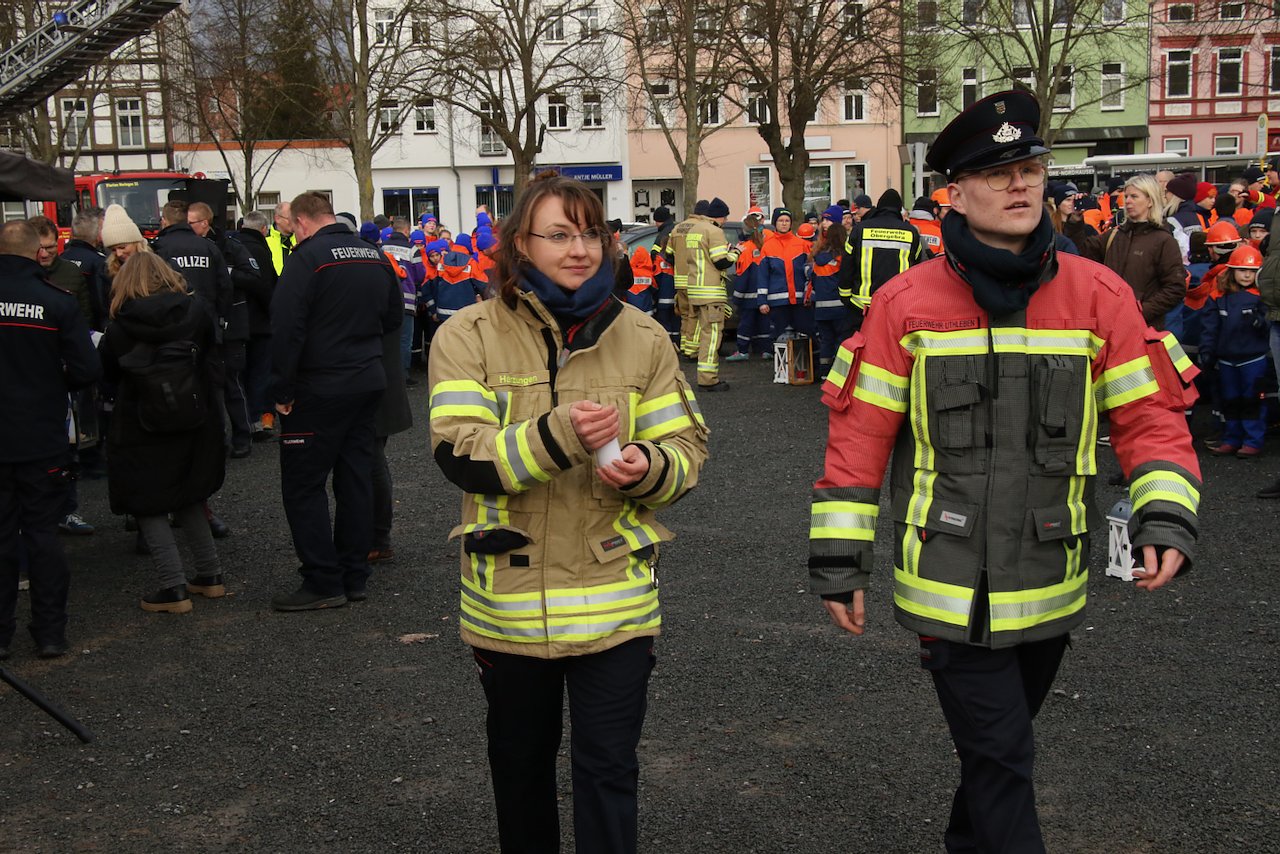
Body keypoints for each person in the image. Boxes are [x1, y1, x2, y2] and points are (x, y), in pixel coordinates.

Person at [809, 91, 1201, 853]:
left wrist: (1165, 514)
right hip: (947, 580)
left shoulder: (1100, 296)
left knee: (996, 754)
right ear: (954, 194)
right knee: (1003, 756)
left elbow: (1151, 419)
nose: (1020, 184)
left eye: (1030, 168)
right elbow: (858, 441)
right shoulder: (904, 304)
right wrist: (839, 560)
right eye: (997, 173)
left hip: (1051, 575)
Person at [427, 171, 708, 854]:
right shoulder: (466, 335)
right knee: (520, 769)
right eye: (558, 234)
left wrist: (649, 466)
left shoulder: (645, 336)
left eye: (591, 234)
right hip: (510, 608)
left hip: (617, 605)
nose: (579, 249)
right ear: (520, 244)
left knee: (609, 770)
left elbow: (687, 450)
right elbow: (460, 454)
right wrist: (559, 436)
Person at [268, 192, 402, 611]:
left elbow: (285, 326)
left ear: (302, 222)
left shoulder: (307, 258)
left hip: (319, 386)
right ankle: (353, 574)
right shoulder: (374, 255)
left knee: (303, 485)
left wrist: (282, 390)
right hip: (367, 381)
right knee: (355, 478)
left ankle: (323, 580)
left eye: (292, 227)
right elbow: (394, 317)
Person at [99, 253, 226, 613]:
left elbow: (107, 372)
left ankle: (173, 587)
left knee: (148, 501)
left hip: (142, 419)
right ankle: (210, 575)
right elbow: (212, 352)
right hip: (194, 412)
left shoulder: (121, 325)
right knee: (190, 493)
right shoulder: (196, 312)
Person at [0, 221, 101, 659]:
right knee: (43, 534)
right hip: (41, 435)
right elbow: (87, 370)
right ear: (35, 253)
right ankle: (50, 632)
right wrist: (51, 381)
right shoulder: (55, 301)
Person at [1083, 174, 1187, 330]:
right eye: (1126, 196)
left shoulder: (1164, 241)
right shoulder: (1115, 235)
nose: (1127, 201)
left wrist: (1140, 312)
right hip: (1110, 325)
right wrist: (1074, 222)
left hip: (1143, 328)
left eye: (1134, 196)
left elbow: (1175, 288)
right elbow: (1081, 253)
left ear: (1150, 201)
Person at [1201, 245, 1271, 458]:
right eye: (1242, 270)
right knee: (1229, 400)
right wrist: (1206, 351)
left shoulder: (1263, 296)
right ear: (1231, 270)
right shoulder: (1218, 296)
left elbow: (1270, 325)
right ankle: (1231, 438)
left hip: (1254, 358)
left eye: (1251, 271)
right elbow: (1209, 327)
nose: (1247, 275)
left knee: (1253, 401)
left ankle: (1252, 441)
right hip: (1226, 359)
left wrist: (1262, 322)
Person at [671, 197, 736, 390]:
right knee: (711, 336)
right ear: (720, 216)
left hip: (694, 289)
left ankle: (705, 376)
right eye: (725, 218)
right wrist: (736, 253)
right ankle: (708, 379)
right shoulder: (714, 231)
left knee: (699, 330)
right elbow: (720, 261)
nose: (725, 221)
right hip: (710, 292)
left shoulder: (693, 230)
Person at [838, 189, 927, 328]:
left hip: (861, 307)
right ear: (899, 209)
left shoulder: (860, 229)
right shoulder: (911, 233)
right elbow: (917, 269)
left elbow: (847, 265)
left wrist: (845, 297)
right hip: (897, 307)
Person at [235, 211, 279, 440]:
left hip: (237, 321)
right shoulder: (260, 250)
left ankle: (241, 423)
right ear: (264, 229)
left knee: (240, 376)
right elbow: (266, 286)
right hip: (261, 323)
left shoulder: (231, 246)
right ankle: (257, 421)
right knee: (260, 373)